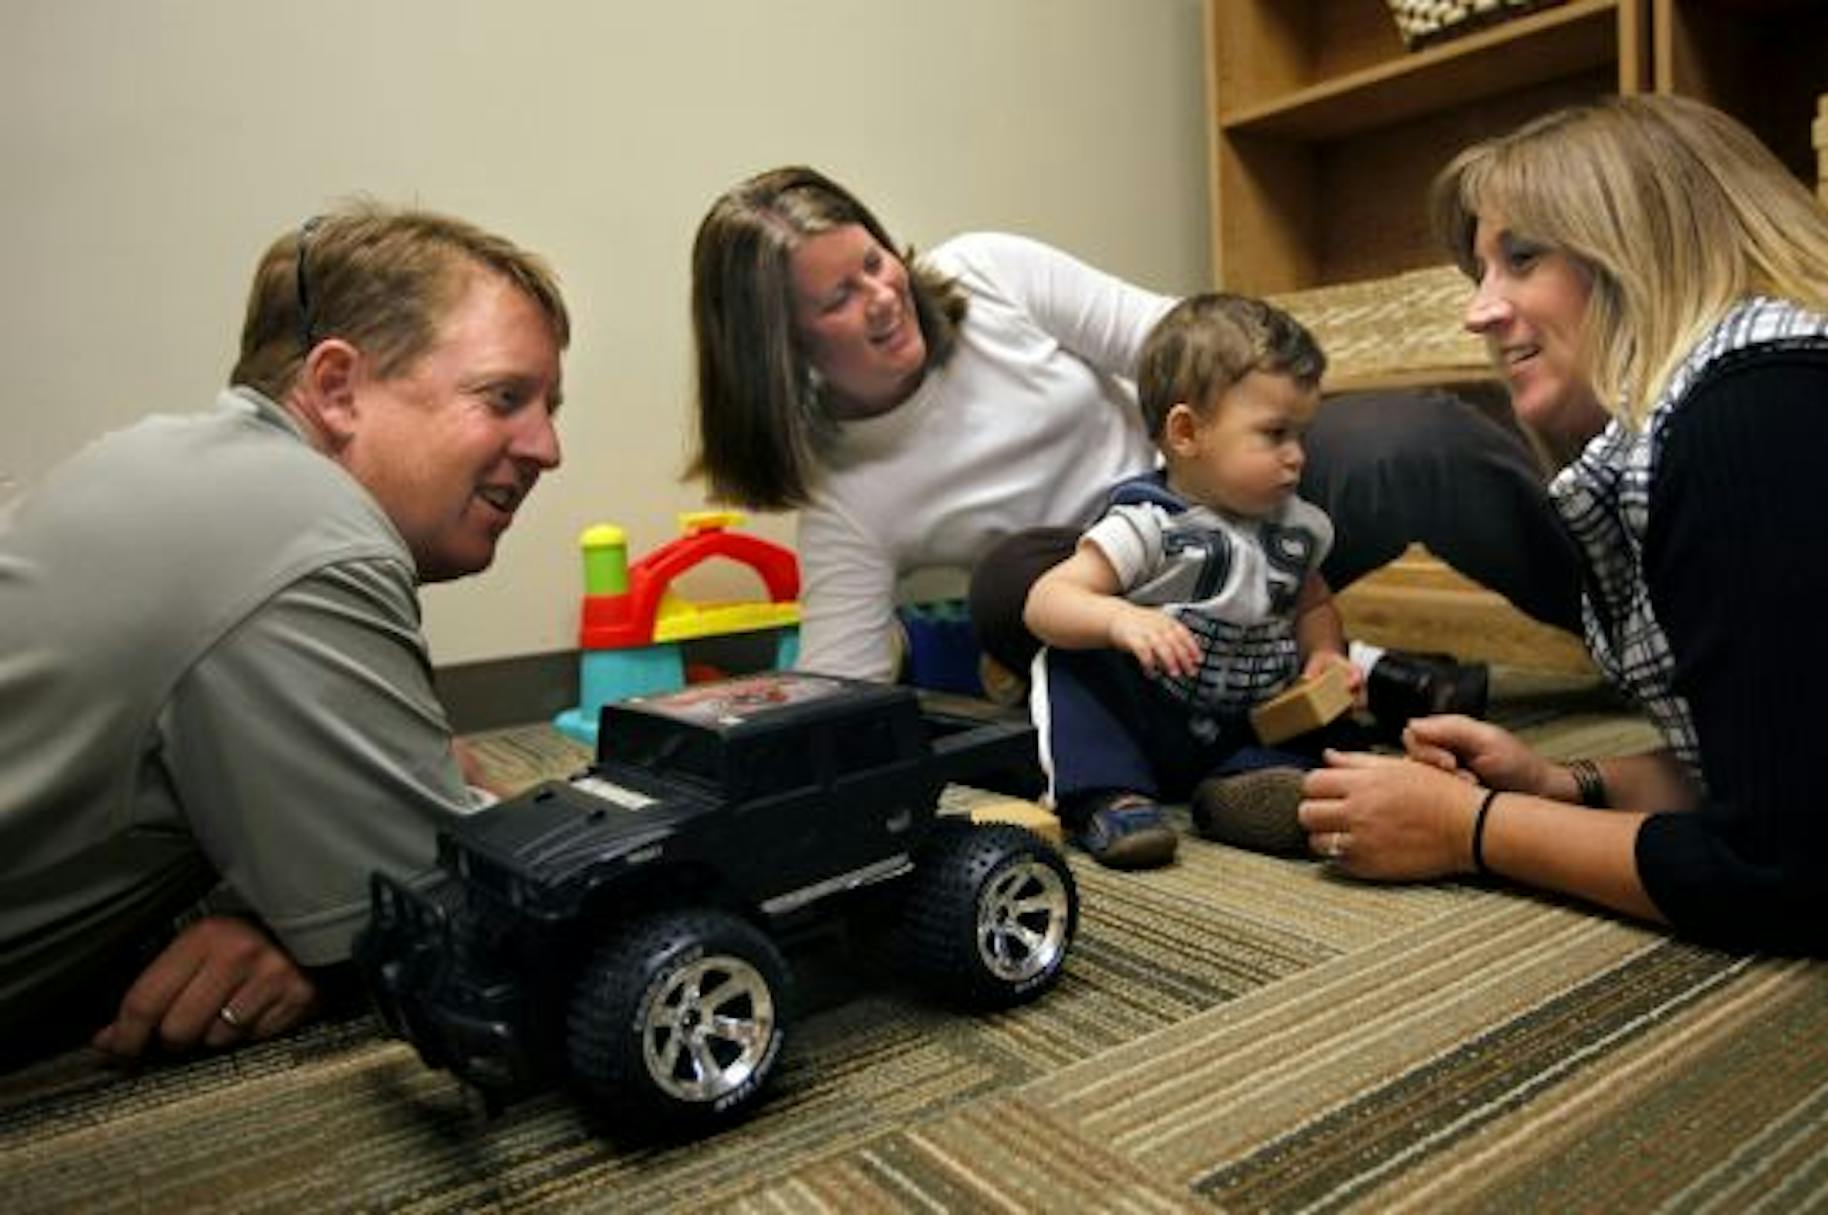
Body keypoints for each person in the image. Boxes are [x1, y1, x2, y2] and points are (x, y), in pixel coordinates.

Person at [1298, 94, 1828, 989]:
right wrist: (1571, 784)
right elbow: (1826, 750)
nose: (1479, 312)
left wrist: (1468, 830)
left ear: (1643, 245)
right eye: (1481, 270)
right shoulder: (1805, 373)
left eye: (1522, 258)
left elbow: (1807, 880)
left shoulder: (1760, 422)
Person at [0, 205, 571, 1067]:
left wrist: (281, 907)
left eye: (549, 406)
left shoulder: (168, 460)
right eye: (505, 397)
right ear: (338, 387)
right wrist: (343, 929)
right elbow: (457, 916)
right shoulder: (308, 538)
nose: (548, 446)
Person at [686, 165, 1576, 698]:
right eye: (838, 297)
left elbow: (1182, 342)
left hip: (1225, 511)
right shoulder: (845, 495)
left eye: (875, 260)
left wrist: (1252, 434)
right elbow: (837, 685)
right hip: (1116, 621)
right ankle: (1347, 675)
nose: (882, 296)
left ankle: (1629, 608)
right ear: (783, 347)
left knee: (1416, 437)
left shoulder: (985, 271)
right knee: (1012, 590)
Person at [1022, 294, 1367, 867]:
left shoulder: (1295, 527)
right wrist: (1121, 619)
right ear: (1186, 433)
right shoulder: (1149, 523)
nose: (1297, 457)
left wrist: (1326, 653)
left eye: (1302, 434)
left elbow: (1313, 603)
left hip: (1243, 712)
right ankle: (1109, 796)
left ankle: (1241, 795)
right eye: (1275, 433)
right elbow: (1046, 600)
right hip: (1149, 711)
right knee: (1072, 663)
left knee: (1317, 733)